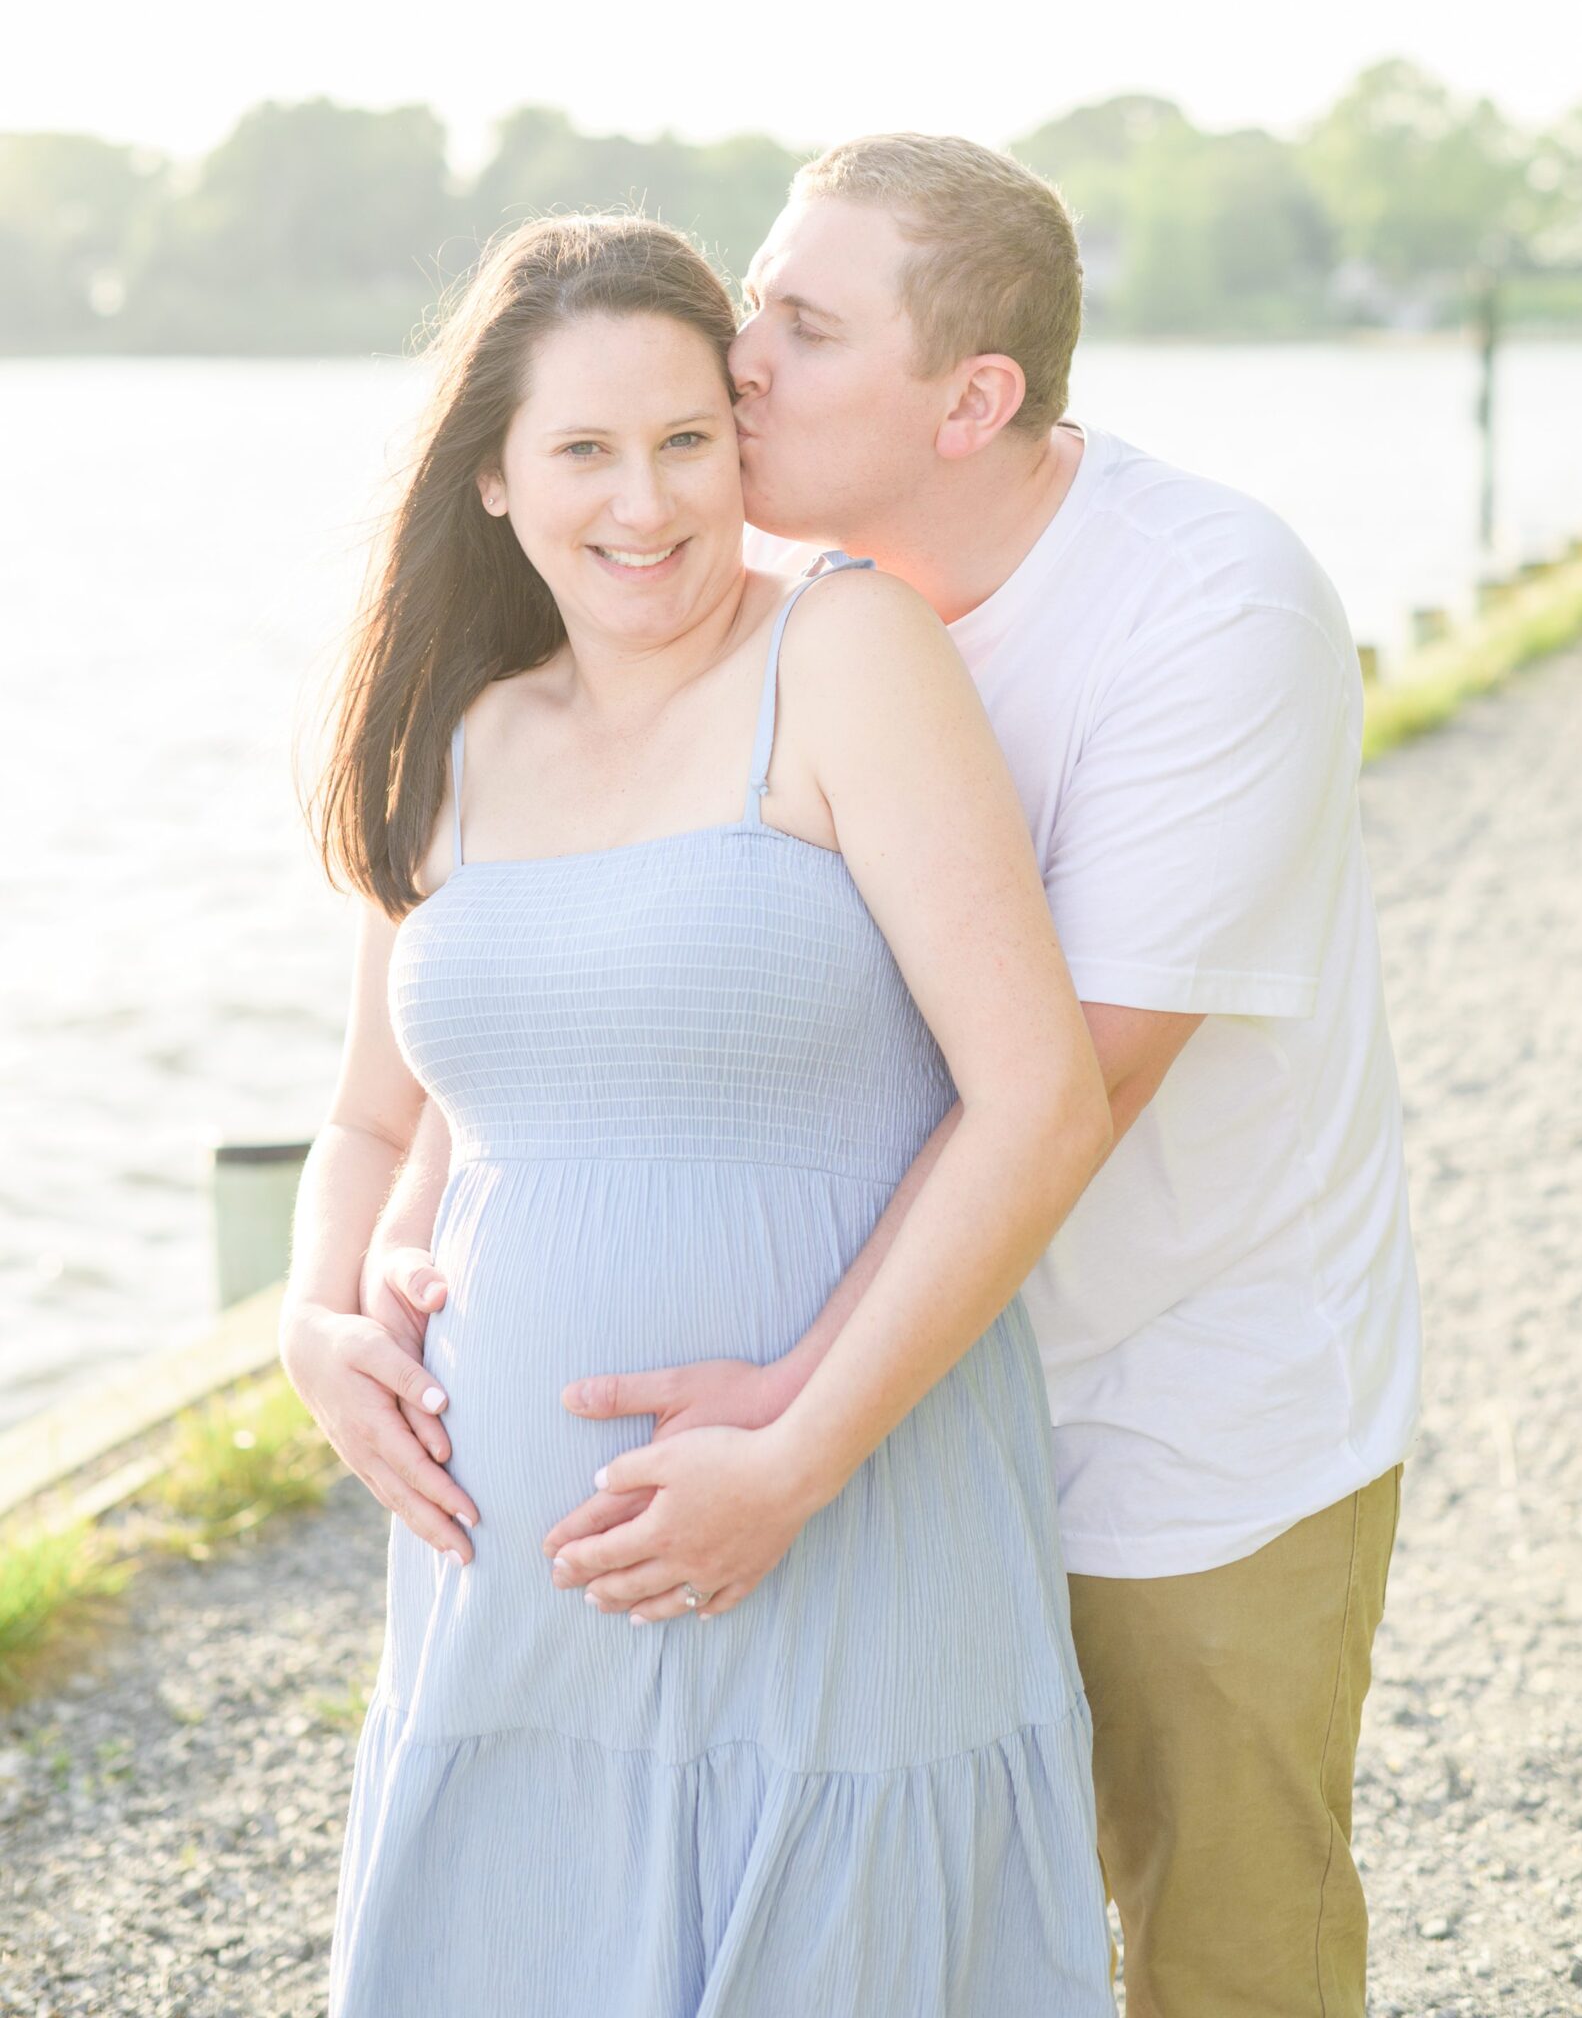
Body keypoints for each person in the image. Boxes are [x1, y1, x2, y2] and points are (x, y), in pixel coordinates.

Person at [372, 135, 1422, 2017]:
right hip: (875, 1405)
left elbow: (1047, 1101)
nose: (739, 354)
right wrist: (386, 1252)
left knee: (1222, 1952)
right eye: (756, 299)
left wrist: (798, 1427)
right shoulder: (781, 582)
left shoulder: (1209, 615)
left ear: (975, 397)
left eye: (800, 322)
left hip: (1174, 1399)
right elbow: (545, 1006)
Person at [279, 212, 1121, 2017]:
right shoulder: (451, 738)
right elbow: (365, 1124)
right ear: (494, 480)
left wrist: (795, 1462)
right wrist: (313, 1323)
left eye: (686, 439)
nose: (644, 502)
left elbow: (1040, 1102)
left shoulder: (845, 653)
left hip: (844, 1525)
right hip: (512, 1596)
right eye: (582, 449)